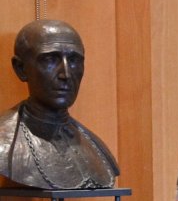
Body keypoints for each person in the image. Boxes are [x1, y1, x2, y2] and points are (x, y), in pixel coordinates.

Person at [1, 19, 120, 189]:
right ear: (21, 68)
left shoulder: (97, 149)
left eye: (73, 60)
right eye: (50, 59)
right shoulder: (3, 140)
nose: (66, 74)